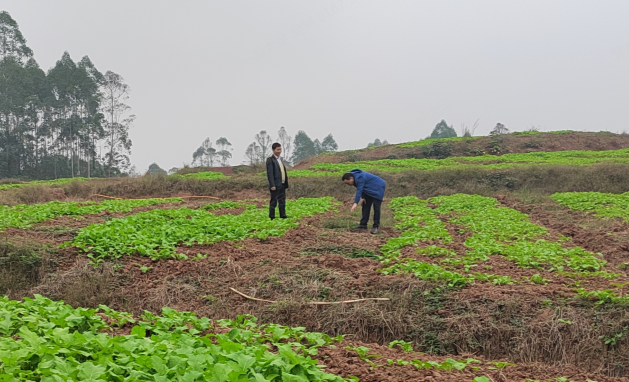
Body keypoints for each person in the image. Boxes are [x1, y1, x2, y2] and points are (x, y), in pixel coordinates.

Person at [342, 169, 386, 234]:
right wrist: (363, 197)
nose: (349, 184)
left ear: (351, 178)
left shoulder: (360, 177)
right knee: (365, 205)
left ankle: (375, 226)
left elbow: (359, 189)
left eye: (348, 183)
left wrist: (355, 203)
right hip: (368, 189)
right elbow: (362, 187)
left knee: (376, 208)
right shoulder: (354, 178)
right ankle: (363, 225)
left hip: (378, 188)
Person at [266, 142, 289, 220]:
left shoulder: (280, 160)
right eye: (278, 149)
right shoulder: (270, 160)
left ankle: (283, 215)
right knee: (274, 201)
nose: (279, 151)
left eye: (280, 149)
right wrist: (272, 185)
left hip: (282, 184)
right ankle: (272, 216)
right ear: (273, 150)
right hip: (275, 185)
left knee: (282, 201)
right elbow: (270, 174)